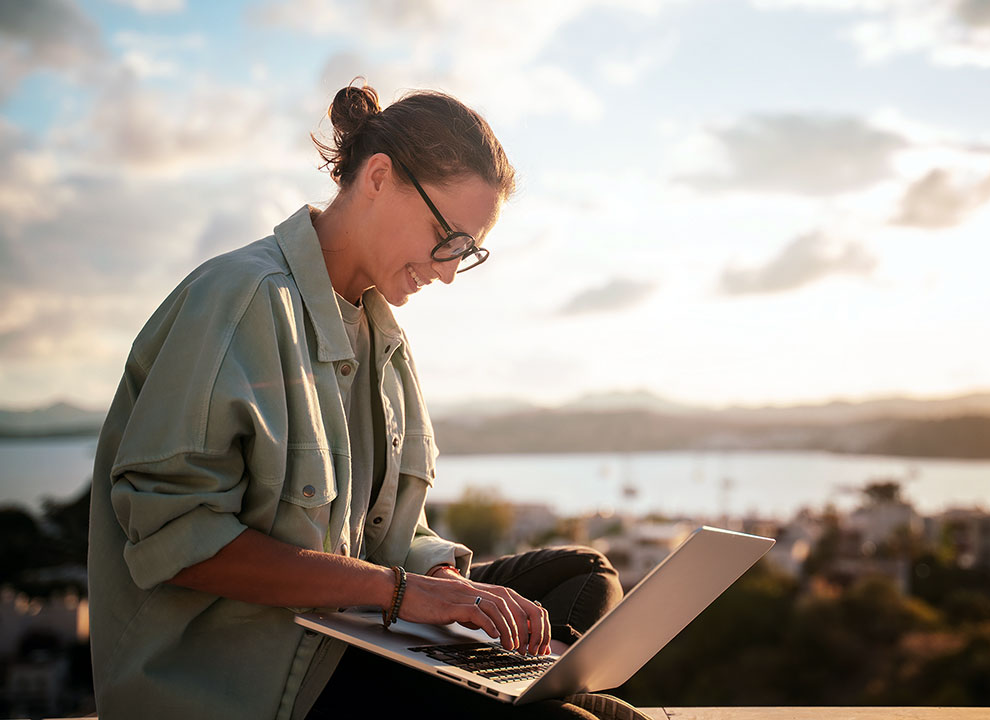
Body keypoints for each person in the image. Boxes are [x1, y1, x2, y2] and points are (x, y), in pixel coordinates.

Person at [87, 83, 645, 720]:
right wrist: (400, 594)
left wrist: (442, 584)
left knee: (584, 576)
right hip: (264, 678)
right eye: (446, 238)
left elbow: (389, 533)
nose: (447, 272)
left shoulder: (384, 338)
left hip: (361, 628)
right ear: (379, 177)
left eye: (466, 250)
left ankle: (520, 681)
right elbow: (175, 538)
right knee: (571, 717)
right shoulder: (241, 300)